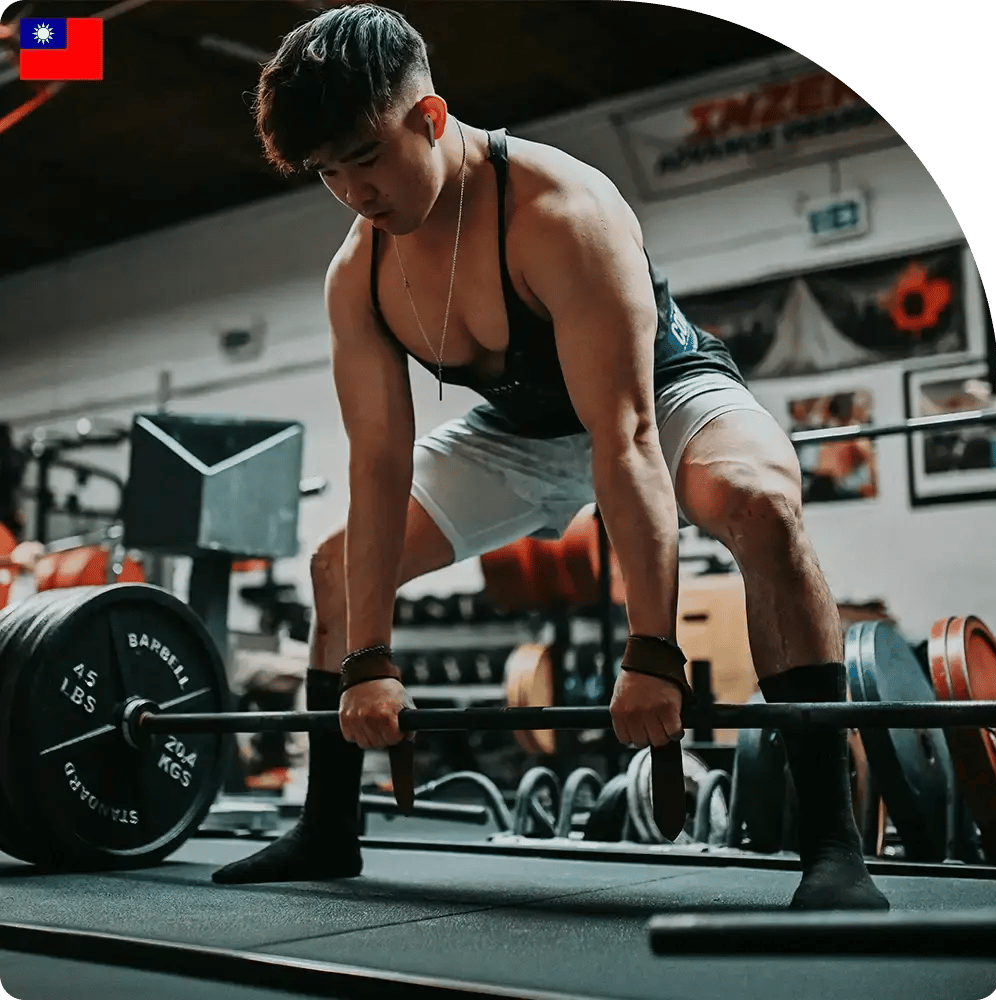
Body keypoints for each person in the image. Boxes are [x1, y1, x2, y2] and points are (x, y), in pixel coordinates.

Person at [213, 3, 888, 911]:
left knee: (762, 504)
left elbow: (627, 435)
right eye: (327, 173)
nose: (353, 191)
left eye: (365, 157)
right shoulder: (359, 275)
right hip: (517, 433)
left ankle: (832, 850)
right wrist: (369, 659)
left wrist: (654, 649)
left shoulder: (560, 208)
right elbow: (377, 464)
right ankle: (329, 828)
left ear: (430, 117)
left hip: (661, 391)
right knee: (336, 565)